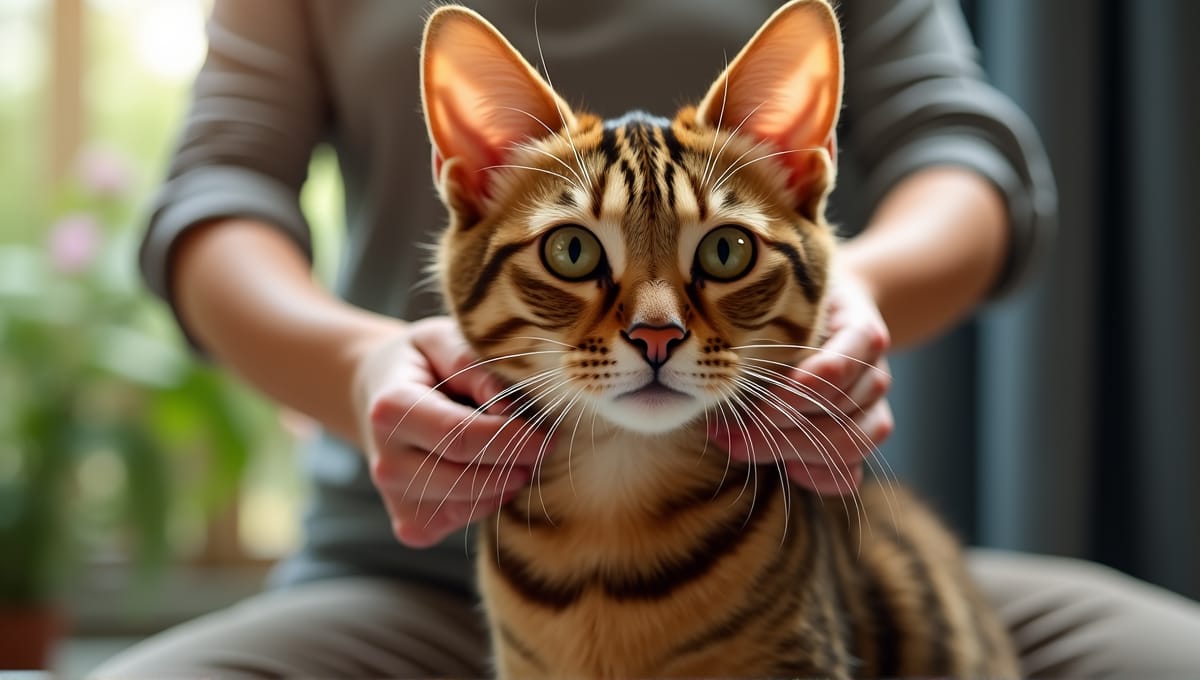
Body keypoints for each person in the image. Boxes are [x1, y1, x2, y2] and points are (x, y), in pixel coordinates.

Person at [94, 1, 1200, 677]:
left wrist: (848, 292)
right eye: (580, 262)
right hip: (401, 561)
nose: (659, 327)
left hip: (802, 534)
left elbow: (964, 149)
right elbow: (217, 188)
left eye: (713, 265)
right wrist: (354, 366)